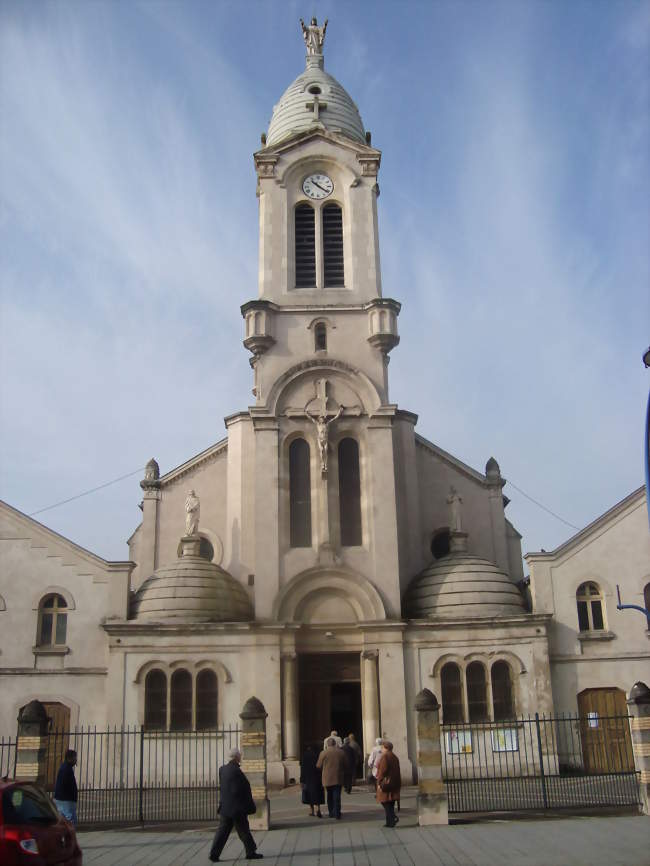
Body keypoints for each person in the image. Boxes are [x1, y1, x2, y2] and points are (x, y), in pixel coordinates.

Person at [209, 748, 262, 862]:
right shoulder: (237, 772)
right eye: (239, 756)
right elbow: (242, 789)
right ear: (236, 757)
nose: (240, 758)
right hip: (236, 808)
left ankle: (214, 854)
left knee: (222, 832)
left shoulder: (222, 769)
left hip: (225, 807)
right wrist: (248, 805)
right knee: (244, 831)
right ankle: (251, 852)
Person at [316, 737, 347, 819]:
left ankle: (331, 812)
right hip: (338, 777)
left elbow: (318, 765)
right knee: (337, 795)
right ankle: (337, 813)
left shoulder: (323, 753)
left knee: (329, 796)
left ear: (327, 744)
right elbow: (346, 764)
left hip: (327, 778)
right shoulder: (341, 752)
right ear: (335, 744)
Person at [375, 741, 401, 828]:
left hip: (386, 782)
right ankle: (389, 822)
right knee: (390, 802)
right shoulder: (394, 757)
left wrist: (379, 782)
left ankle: (392, 818)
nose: (381, 749)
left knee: (385, 802)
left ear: (386, 748)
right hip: (394, 782)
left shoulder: (385, 757)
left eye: (382, 747)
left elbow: (383, 771)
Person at [53, 749, 78, 825]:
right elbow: (65, 784)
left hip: (63, 799)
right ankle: (70, 836)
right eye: (75, 758)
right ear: (69, 758)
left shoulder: (66, 767)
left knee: (62, 821)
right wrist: (72, 795)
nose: (76, 760)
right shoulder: (66, 769)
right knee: (70, 821)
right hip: (66, 800)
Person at [300, 744, 324, 818]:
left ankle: (311, 810)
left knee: (309, 794)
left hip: (307, 777)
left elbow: (303, 768)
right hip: (317, 777)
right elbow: (321, 766)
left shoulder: (305, 755)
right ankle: (318, 808)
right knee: (317, 793)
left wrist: (302, 779)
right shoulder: (318, 754)